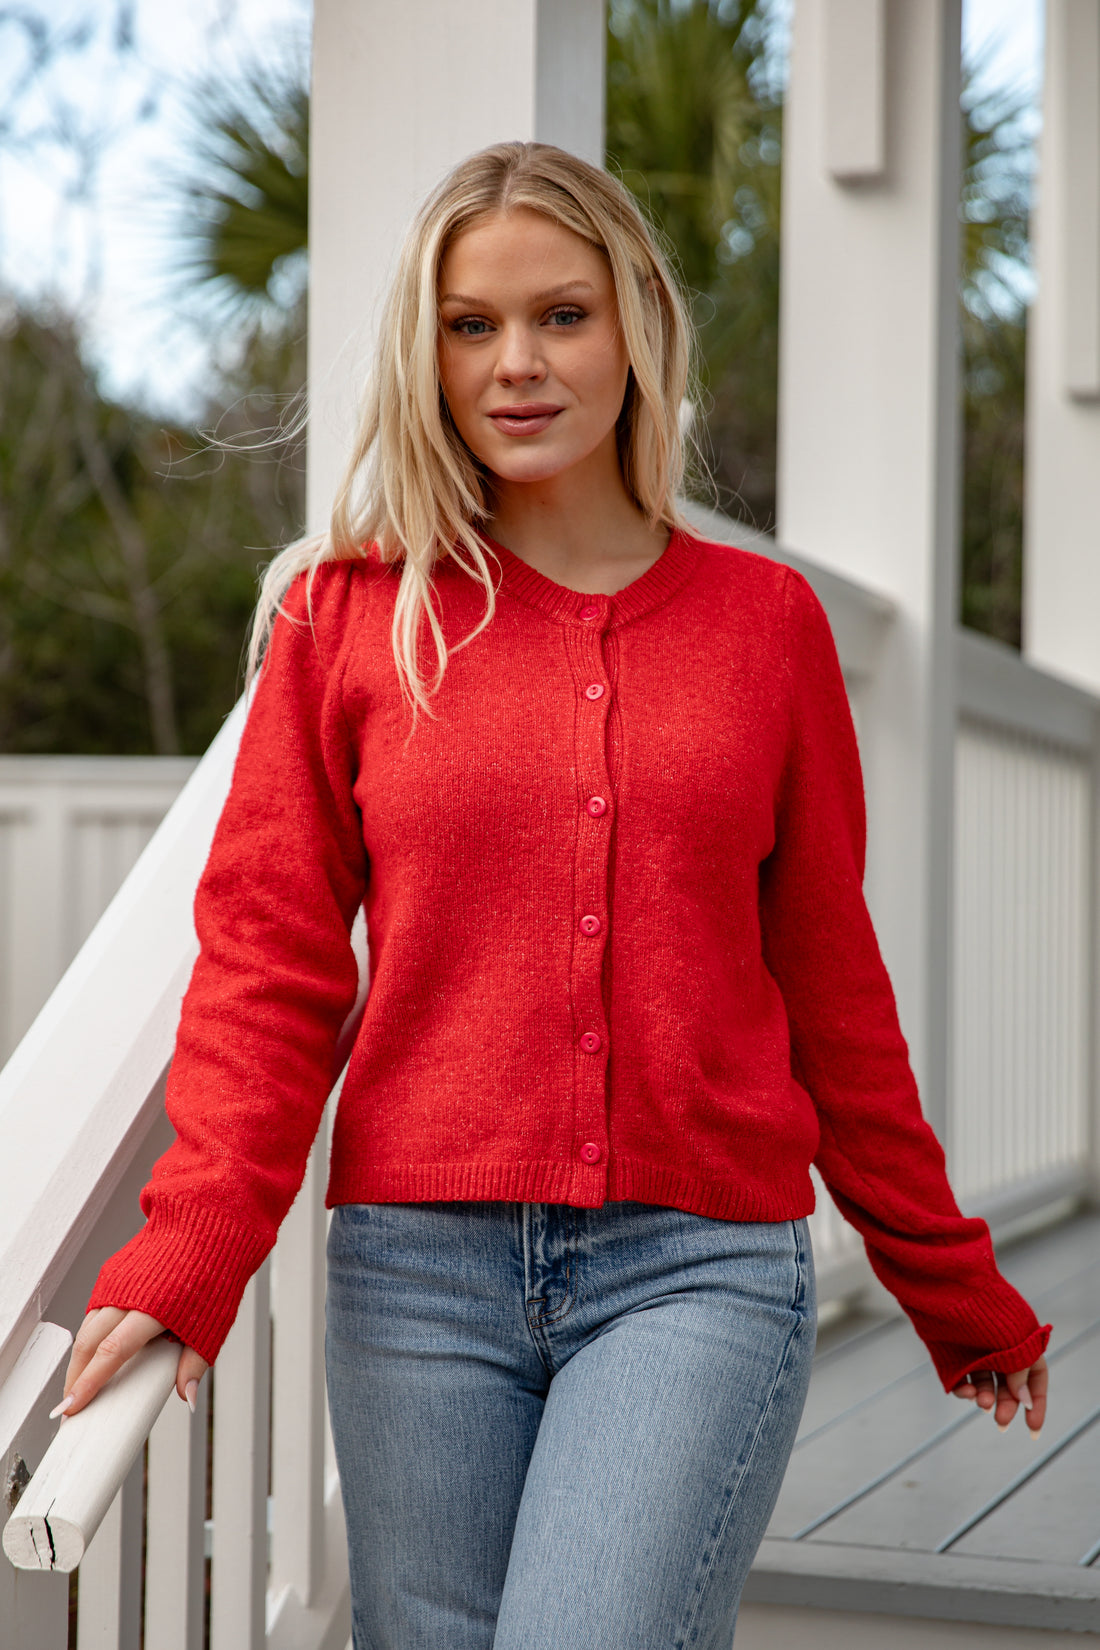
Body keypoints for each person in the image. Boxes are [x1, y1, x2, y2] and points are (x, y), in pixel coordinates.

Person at [57, 142, 1051, 1649]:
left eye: (562, 316)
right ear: (430, 349)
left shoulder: (763, 627)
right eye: (472, 325)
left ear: (639, 320)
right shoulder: (349, 619)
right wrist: (195, 1241)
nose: (516, 363)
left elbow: (834, 995)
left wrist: (948, 1280)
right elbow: (268, 966)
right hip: (417, 1273)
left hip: (695, 1263)